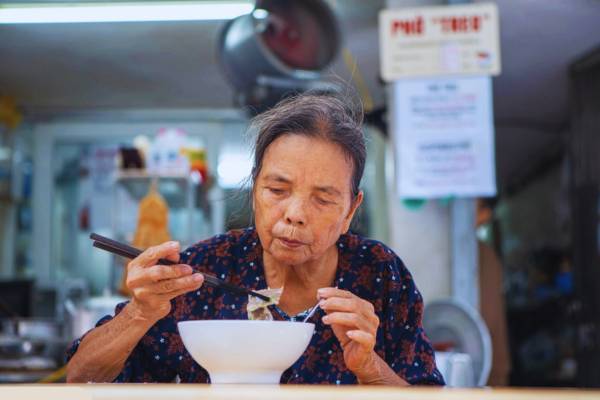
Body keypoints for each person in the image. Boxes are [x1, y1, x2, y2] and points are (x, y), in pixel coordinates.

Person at [66, 92, 444, 385]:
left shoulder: (379, 275)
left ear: (350, 210)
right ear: (254, 192)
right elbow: (82, 379)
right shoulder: (202, 271)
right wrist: (140, 312)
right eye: (277, 190)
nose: (294, 213)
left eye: (323, 198)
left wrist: (369, 367)